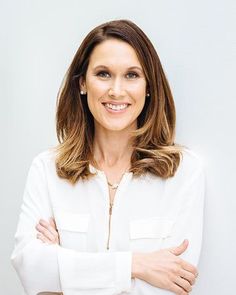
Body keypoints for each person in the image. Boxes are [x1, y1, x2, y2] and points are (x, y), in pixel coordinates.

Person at [11, 19, 205, 295]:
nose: (116, 90)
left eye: (132, 75)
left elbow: (173, 285)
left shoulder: (184, 172)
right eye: (103, 74)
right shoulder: (47, 169)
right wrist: (135, 265)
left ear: (149, 86)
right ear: (82, 84)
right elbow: (31, 270)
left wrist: (64, 269)